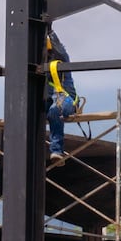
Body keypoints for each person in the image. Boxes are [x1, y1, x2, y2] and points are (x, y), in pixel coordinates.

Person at [45, 28, 79, 166]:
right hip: (48, 99)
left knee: (55, 110)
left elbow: (59, 47)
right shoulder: (39, 64)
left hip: (66, 99)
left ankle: (57, 151)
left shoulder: (62, 59)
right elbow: (18, 69)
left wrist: (50, 31)